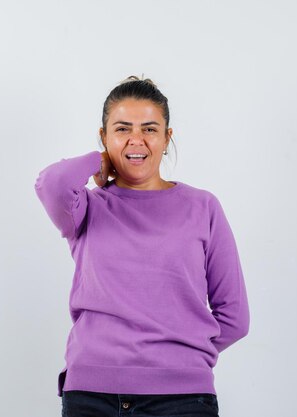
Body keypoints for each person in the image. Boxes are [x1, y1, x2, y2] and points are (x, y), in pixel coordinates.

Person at [34, 75, 250, 417]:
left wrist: (179, 359)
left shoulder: (203, 207)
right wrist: (97, 161)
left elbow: (235, 317)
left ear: (167, 138)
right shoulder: (85, 208)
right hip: (92, 396)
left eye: (150, 129)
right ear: (104, 138)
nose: (137, 139)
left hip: (182, 400)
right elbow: (51, 182)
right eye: (122, 129)